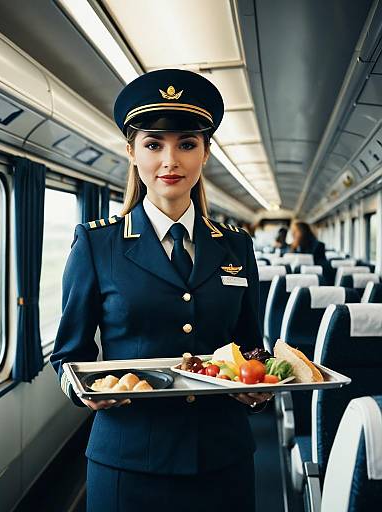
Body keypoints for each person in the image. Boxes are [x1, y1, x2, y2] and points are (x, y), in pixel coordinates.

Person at [50, 68, 273, 511]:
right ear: (132, 152)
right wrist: (85, 391)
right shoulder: (97, 244)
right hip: (129, 460)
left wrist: (260, 388)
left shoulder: (236, 246)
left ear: (205, 153)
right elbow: (67, 356)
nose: (170, 160)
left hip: (221, 457)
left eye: (187, 144)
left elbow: (252, 347)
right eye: (154, 145)